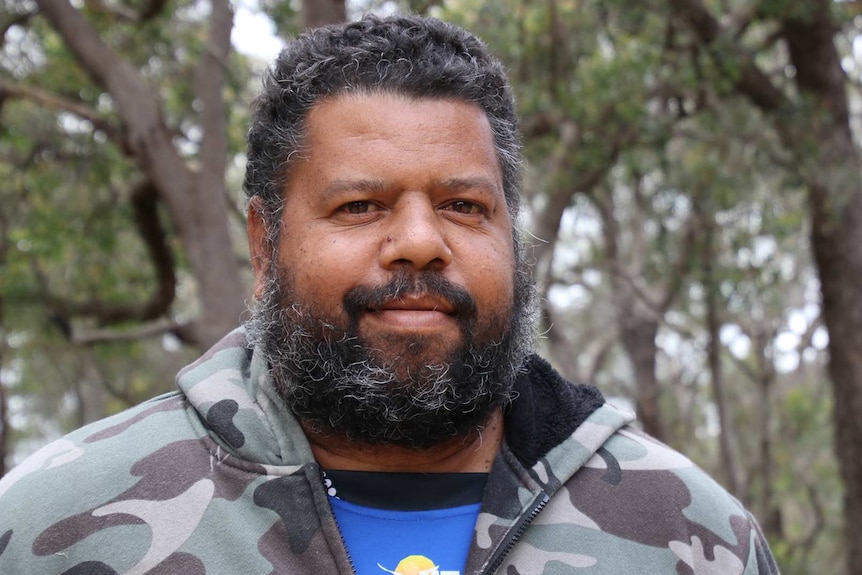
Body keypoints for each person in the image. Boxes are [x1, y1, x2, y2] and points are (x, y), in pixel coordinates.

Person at [0, 14, 779, 575]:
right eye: (361, 205)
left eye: (464, 206)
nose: (420, 241)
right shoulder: (51, 525)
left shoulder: (688, 532)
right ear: (264, 244)